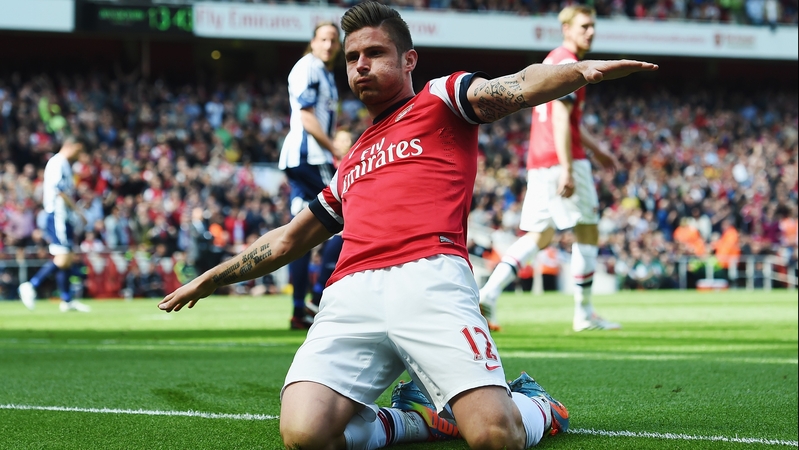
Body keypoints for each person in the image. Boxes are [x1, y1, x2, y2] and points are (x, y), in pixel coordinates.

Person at [158, 2, 657, 448]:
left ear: (408, 60)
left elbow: (519, 86)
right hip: (350, 292)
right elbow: (290, 238)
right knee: (305, 433)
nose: (360, 67)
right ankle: (413, 419)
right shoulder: (351, 157)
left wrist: (579, 72)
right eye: (352, 59)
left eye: (374, 53)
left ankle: (539, 407)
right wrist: (211, 278)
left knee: (492, 435)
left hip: (431, 276)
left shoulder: (442, 98)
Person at [478, 5, 623, 333]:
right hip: (561, 158)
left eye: (593, 26)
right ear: (567, 29)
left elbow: (567, 117)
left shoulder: (551, 60)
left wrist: (598, 148)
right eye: (584, 26)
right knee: (588, 228)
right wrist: (568, 167)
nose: (591, 32)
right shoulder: (570, 63)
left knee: (540, 234)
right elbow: (560, 117)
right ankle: (584, 313)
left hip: (539, 158)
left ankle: (488, 292)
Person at [278, 21, 347, 330]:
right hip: (310, 157)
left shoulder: (324, 72)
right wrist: (335, 148)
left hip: (300, 158)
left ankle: (298, 309)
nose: (329, 45)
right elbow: (306, 117)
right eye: (324, 39)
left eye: (334, 40)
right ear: (313, 42)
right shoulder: (309, 67)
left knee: (300, 235)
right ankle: (319, 298)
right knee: (350, 213)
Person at [18, 136, 91, 312]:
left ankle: (66, 300)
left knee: (66, 257)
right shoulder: (57, 163)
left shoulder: (65, 164)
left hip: (64, 216)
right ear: (70, 145)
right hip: (57, 214)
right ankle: (31, 285)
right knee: (63, 256)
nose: (79, 155)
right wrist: (78, 211)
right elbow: (60, 191)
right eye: (78, 150)